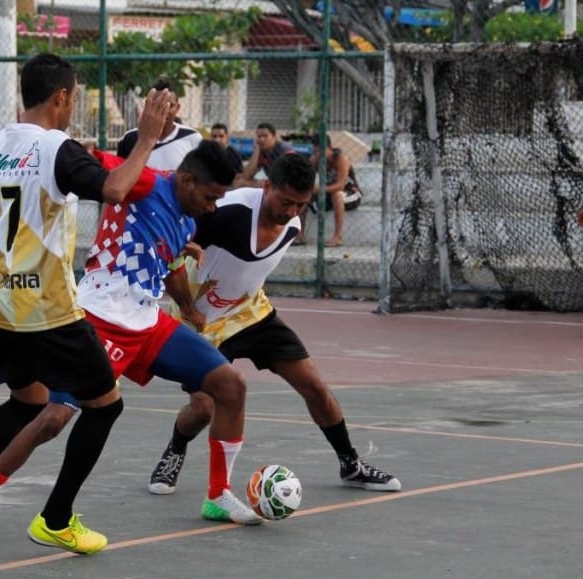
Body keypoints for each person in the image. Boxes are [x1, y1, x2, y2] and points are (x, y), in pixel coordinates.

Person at [0, 53, 173, 557]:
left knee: (29, 402)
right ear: (61, 96)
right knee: (105, 405)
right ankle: (56, 519)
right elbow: (115, 188)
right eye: (75, 96)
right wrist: (147, 138)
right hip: (47, 308)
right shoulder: (56, 148)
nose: (74, 105)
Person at [148, 152, 401, 498]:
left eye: (301, 204)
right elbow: (173, 256)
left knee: (314, 385)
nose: (292, 212)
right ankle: (176, 448)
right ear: (267, 187)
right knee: (204, 407)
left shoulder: (294, 222)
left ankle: (350, 464)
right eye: (286, 202)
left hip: (252, 311)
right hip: (202, 319)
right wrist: (188, 308)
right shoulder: (227, 212)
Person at [78, 139, 261, 526]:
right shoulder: (146, 181)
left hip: (147, 321)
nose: (213, 207)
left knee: (230, 385)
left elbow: (171, 263)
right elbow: (96, 163)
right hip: (101, 316)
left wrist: (190, 308)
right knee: (52, 416)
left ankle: (219, 495)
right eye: (211, 197)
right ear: (187, 180)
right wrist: (81, 149)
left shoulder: (189, 219)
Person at [117, 78, 203, 171]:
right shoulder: (130, 138)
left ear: (177, 108)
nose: (163, 109)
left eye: (169, 105)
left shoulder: (192, 137)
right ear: (148, 105)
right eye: (157, 105)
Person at [309, 133, 361, 248]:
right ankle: (300, 234)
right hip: (328, 195)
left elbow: (340, 186)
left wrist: (319, 189)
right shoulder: (314, 160)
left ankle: (337, 237)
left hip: (350, 194)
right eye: (315, 152)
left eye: (320, 151)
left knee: (337, 194)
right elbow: (309, 182)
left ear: (328, 148)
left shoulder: (341, 159)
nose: (318, 155)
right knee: (304, 194)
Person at [240, 122, 293, 187]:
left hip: (287, 185)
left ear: (274, 137)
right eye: (259, 136)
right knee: (241, 182)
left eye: (265, 136)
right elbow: (246, 176)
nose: (262, 139)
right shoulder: (262, 152)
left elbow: (290, 176)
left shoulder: (284, 149)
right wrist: (257, 150)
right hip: (273, 184)